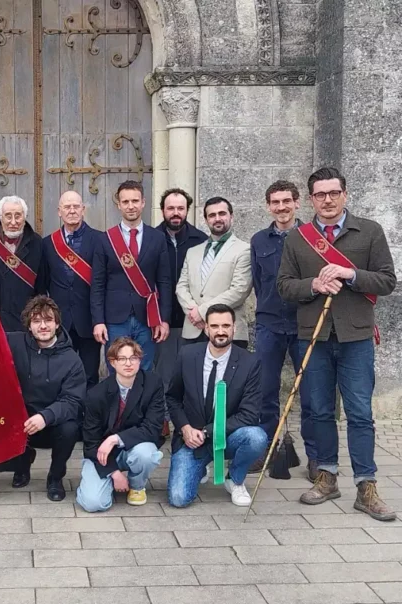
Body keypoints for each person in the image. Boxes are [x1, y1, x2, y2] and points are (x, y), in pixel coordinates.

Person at [278, 167, 397, 521]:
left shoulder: (369, 232)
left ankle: (366, 485)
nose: (327, 200)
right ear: (311, 198)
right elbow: (284, 286)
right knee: (318, 410)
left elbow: (388, 281)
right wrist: (313, 285)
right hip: (313, 335)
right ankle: (327, 476)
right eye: (320, 195)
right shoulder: (298, 238)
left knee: (359, 412)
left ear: (345, 194)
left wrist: (351, 274)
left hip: (355, 336)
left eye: (333, 193)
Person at [166, 304, 267, 508]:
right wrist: (185, 428)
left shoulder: (249, 362)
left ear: (234, 328)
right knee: (178, 498)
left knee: (257, 437)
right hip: (191, 439)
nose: (220, 331)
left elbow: (250, 414)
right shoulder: (187, 355)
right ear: (206, 329)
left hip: (228, 436)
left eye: (225, 326)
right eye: (215, 326)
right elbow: (172, 398)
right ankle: (201, 467)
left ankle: (235, 479)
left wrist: (207, 431)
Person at [249, 180, 315, 478]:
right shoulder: (259, 240)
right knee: (265, 391)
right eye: (275, 202)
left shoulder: (313, 237)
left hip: (305, 323)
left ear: (297, 202)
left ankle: (316, 457)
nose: (281, 207)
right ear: (268, 206)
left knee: (313, 392)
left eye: (286, 201)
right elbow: (258, 281)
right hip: (269, 324)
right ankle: (268, 449)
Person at [0, 296, 86, 501]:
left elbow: (73, 401)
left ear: (57, 323)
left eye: (48, 320)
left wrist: (46, 416)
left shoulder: (72, 359)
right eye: (36, 321)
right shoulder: (13, 342)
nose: (43, 326)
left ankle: (55, 477)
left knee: (70, 428)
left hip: (51, 424)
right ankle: (22, 462)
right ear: (29, 326)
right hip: (18, 422)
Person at [76, 337, 165, 512]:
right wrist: (114, 473)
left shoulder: (152, 383)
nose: (128, 364)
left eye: (133, 358)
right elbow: (91, 443)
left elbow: (153, 428)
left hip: (134, 447)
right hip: (102, 455)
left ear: (140, 360)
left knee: (146, 453)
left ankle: (137, 486)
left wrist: (115, 439)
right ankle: (103, 481)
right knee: (94, 504)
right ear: (112, 363)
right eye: (122, 359)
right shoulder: (96, 394)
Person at [91, 180, 171, 371]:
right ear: (118, 205)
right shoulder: (105, 239)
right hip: (115, 319)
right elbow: (97, 284)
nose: (131, 206)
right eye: (125, 202)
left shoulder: (157, 238)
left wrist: (164, 319)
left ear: (143, 202)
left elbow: (164, 281)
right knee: (116, 369)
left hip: (148, 318)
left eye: (135, 201)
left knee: (144, 369)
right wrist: (98, 321)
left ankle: (142, 403)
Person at [42, 191, 103, 388]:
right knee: (59, 376)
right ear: (59, 212)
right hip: (59, 322)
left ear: (83, 209)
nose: (72, 210)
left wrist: (99, 319)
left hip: (88, 320)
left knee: (90, 376)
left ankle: (89, 417)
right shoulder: (48, 244)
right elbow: (43, 283)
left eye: (76, 206)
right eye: (67, 207)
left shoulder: (100, 240)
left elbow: (102, 283)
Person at [176, 196, 252, 349]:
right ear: (206, 219)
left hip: (228, 332)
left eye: (222, 213)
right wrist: (193, 312)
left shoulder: (244, 250)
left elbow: (239, 290)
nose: (217, 218)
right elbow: (181, 287)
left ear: (231, 216)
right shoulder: (193, 252)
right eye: (212, 215)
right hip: (194, 330)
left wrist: (203, 312)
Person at [153, 188, 207, 388]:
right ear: (162, 210)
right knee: (162, 374)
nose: (176, 213)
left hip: (192, 319)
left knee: (191, 374)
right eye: (171, 208)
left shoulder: (201, 240)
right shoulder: (152, 238)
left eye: (180, 208)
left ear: (187, 210)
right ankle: (163, 417)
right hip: (160, 320)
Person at [0, 195, 44, 331]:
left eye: (18, 216)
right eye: (8, 216)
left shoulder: (37, 243)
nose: (13, 222)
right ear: (0, 218)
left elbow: (42, 284)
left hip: (23, 320)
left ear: (24, 218)